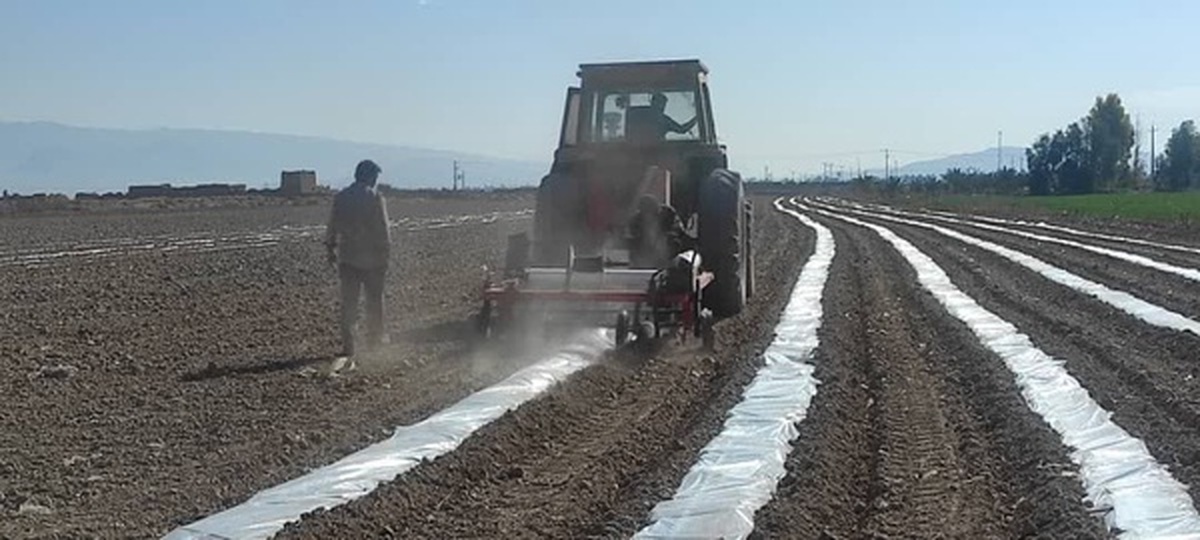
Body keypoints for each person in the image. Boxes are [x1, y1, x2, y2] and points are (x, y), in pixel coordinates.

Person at [325, 159, 391, 357]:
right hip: (372, 261)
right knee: (374, 302)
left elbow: (332, 226)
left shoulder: (341, 197)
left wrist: (330, 249)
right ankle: (375, 342)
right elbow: (383, 229)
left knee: (349, 303)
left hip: (347, 259)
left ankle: (348, 346)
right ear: (370, 177)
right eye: (375, 177)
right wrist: (386, 254)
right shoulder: (375, 198)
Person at [627, 193, 692, 268]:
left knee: (671, 242)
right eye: (646, 212)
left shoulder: (669, 213)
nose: (649, 215)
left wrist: (665, 237)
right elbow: (631, 237)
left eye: (650, 211)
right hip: (645, 252)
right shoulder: (635, 220)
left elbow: (679, 230)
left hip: (667, 248)